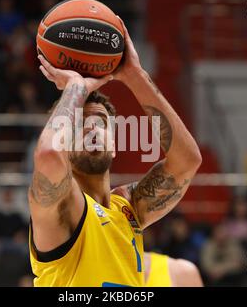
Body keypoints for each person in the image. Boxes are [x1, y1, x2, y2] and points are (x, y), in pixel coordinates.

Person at [28, 17, 202, 286]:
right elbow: (48, 156)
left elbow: (187, 161)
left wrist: (135, 76)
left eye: (99, 123)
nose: (92, 130)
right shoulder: (63, 205)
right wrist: (77, 85)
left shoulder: (128, 207)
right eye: (79, 125)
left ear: (115, 143)